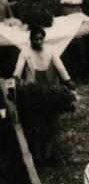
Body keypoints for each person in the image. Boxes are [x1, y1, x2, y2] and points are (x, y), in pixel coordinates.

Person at [13, 25, 76, 167]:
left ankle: (49, 155)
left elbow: (60, 67)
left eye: (41, 39)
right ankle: (38, 157)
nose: (39, 42)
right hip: (35, 96)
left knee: (52, 125)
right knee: (37, 127)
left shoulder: (50, 51)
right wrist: (19, 82)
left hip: (51, 94)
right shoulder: (25, 53)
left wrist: (68, 81)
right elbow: (17, 72)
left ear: (44, 39)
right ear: (31, 40)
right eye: (36, 39)